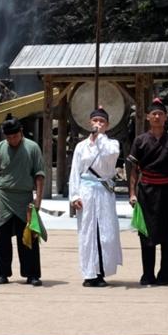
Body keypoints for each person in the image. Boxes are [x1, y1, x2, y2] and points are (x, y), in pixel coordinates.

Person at [127, 98, 168, 286]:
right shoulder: (140, 141)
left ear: (166, 118)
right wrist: (132, 193)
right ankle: (147, 274)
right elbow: (133, 169)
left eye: (160, 114)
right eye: (154, 114)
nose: (157, 117)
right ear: (148, 117)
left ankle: (165, 275)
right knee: (146, 235)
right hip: (146, 192)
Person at [0, 114, 45, 286]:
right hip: (3, 196)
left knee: (28, 237)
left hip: (25, 197)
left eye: (15, 135)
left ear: (21, 132)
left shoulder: (33, 148)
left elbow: (39, 175)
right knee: (2, 237)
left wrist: (38, 200)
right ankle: (1, 274)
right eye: (9, 137)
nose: (12, 139)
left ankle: (32, 273)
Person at [69, 107, 122, 287]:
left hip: (103, 191)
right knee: (87, 232)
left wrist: (100, 137)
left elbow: (111, 156)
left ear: (107, 125)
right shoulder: (81, 146)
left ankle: (101, 272)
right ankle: (88, 273)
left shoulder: (112, 144)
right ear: (89, 122)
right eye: (95, 121)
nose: (98, 124)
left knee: (104, 232)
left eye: (102, 122)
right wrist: (74, 195)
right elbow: (75, 171)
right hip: (86, 191)